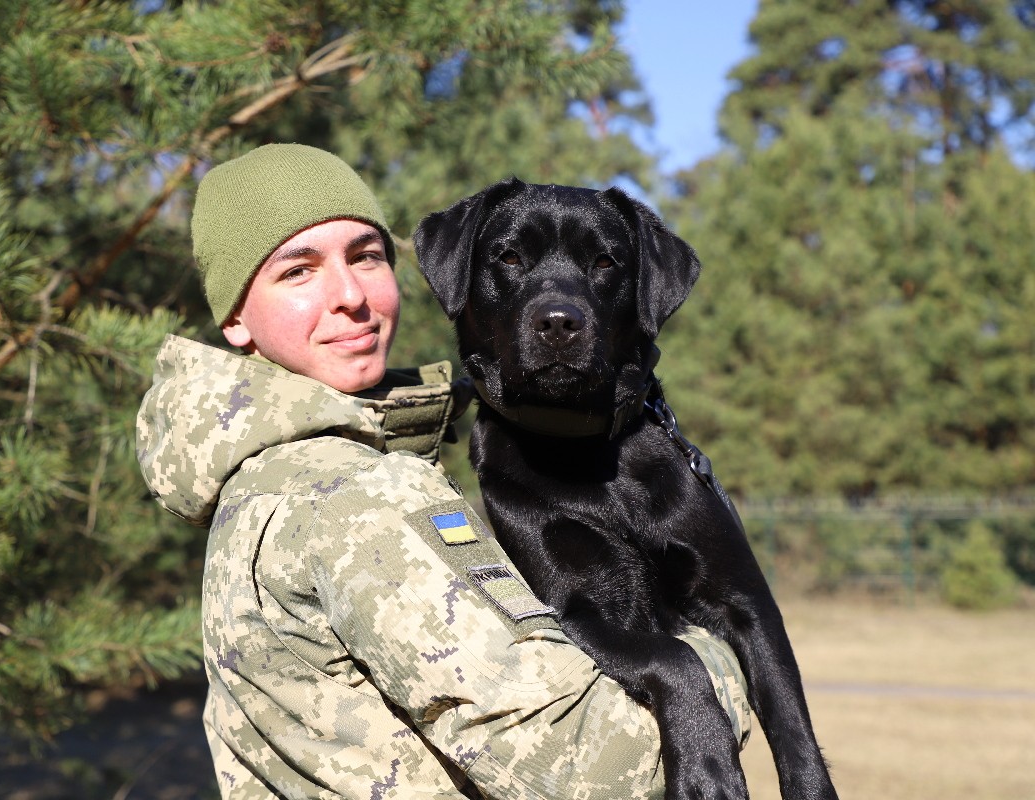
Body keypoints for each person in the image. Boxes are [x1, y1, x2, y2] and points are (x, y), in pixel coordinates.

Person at [136, 143, 752, 799]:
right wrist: (723, 646)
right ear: (235, 318)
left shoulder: (261, 475)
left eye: (366, 256)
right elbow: (596, 769)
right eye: (298, 271)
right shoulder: (357, 498)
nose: (350, 295)